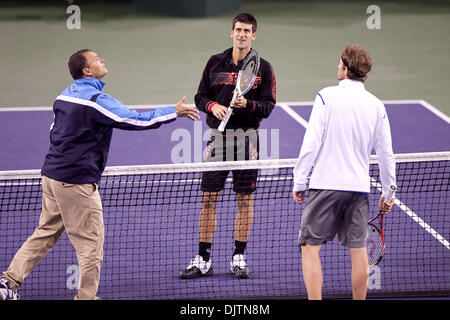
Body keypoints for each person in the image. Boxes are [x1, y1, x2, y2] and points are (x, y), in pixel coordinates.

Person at [0, 49, 199, 300]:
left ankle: (8, 282)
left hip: (51, 177)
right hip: (75, 183)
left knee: (45, 233)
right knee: (90, 245)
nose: (102, 60)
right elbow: (133, 119)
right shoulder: (95, 99)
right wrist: (173, 111)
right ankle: (86, 297)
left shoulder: (64, 96)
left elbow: (55, 132)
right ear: (86, 70)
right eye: (96, 59)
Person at [292, 45, 396, 300]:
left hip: (326, 185)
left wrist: (300, 180)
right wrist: (388, 190)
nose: (337, 67)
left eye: (340, 64)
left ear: (347, 68)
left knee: (309, 248)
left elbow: (311, 142)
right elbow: (386, 153)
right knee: (358, 252)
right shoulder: (376, 105)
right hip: (358, 190)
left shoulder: (326, 96)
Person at [179, 13, 276, 279]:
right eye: (238, 30)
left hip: (247, 141)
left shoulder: (263, 68)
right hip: (218, 140)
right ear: (231, 33)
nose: (242, 34)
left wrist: (249, 105)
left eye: (247, 31)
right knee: (209, 199)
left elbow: (268, 106)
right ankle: (204, 259)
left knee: (244, 200)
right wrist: (214, 106)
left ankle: (238, 257)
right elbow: (200, 96)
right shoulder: (214, 63)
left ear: (254, 35)